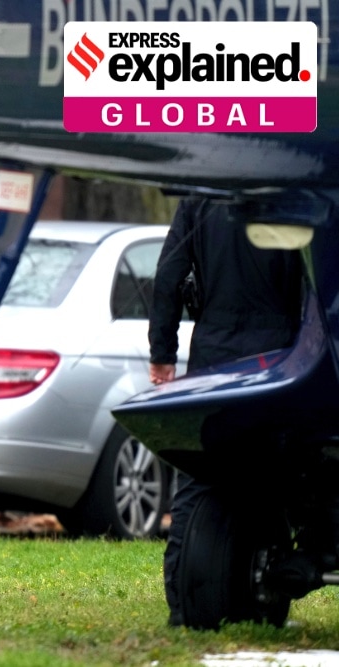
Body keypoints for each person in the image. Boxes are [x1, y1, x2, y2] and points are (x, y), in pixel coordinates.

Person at [148, 195, 303, 627]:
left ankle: (185, 604)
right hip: (284, 346)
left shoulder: (200, 194)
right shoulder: (295, 188)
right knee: (273, 472)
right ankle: (260, 589)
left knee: (202, 471)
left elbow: (169, 276)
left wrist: (163, 352)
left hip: (214, 350)